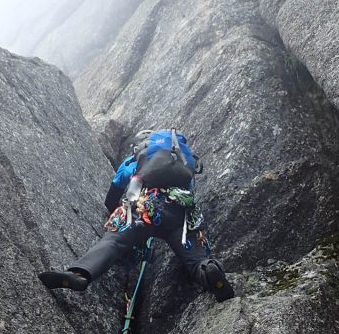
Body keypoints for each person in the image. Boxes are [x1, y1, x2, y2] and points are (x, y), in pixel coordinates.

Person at [39, 128, 234, 302]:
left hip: (143, 208)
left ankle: (80, 274)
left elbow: (115, 189)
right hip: (179, 214)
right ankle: (208, 270)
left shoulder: (139, 157)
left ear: (142, 145)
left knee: (113, 242)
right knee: (194, 259)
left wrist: (117, 216)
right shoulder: (182, 160)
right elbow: (188, 189)